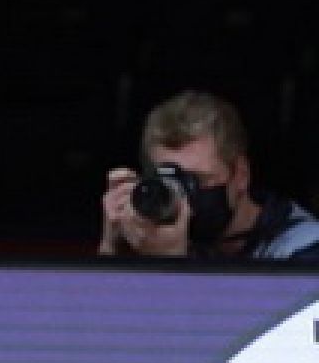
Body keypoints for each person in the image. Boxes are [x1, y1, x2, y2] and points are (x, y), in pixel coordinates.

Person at [98, 90, 319, 262]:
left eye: (198, 179)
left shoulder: (304, 248)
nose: (183, 199)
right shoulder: (152, 238)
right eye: (170, 182)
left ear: (241, 175)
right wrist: (112, 252)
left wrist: (170, 264)